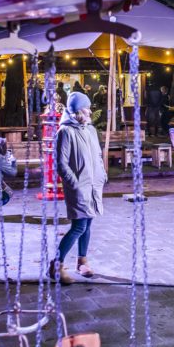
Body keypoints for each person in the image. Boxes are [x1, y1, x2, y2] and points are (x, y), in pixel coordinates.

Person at [52, 92, 107, 283]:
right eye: (86, 108)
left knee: (88, 224)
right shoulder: (65, 132)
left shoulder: (90, 130)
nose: (90, 111)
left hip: (93, 185)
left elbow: (98, 155)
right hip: (78, 187)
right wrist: (74, 184)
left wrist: (101, 175)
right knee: (79, 226)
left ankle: (82, 261)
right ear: (76, 110)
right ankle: (56, 265)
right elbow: (61, 163)